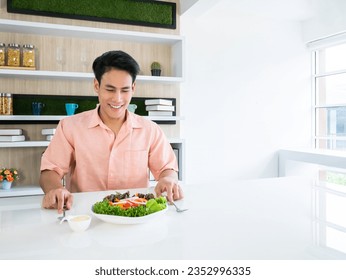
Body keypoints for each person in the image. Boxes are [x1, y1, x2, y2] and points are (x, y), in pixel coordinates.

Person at [40, 50, 183, 213]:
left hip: (135, 214)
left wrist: (168, 179)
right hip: (85, 214)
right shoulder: (70, 126)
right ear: (96, 86)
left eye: (125, 90)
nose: (117, 98)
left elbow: (167, 168)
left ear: (133, 88)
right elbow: (50, 170)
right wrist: (54, 189)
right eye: (110, 89)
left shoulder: (150, 130)